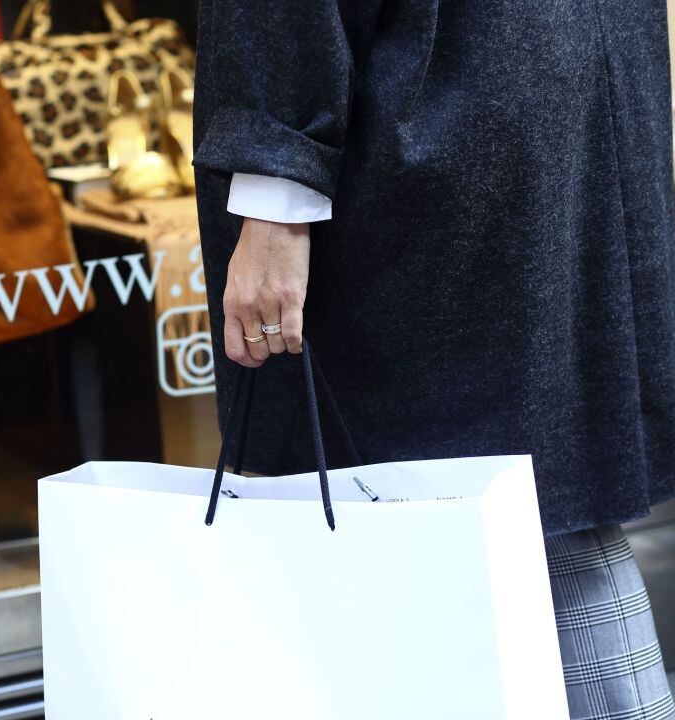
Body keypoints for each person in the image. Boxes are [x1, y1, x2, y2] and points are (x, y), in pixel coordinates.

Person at [192, 1, 675, 717]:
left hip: (446, 107)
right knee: (538, 509)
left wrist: (276, 190)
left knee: (476, 513)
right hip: (550, 93)